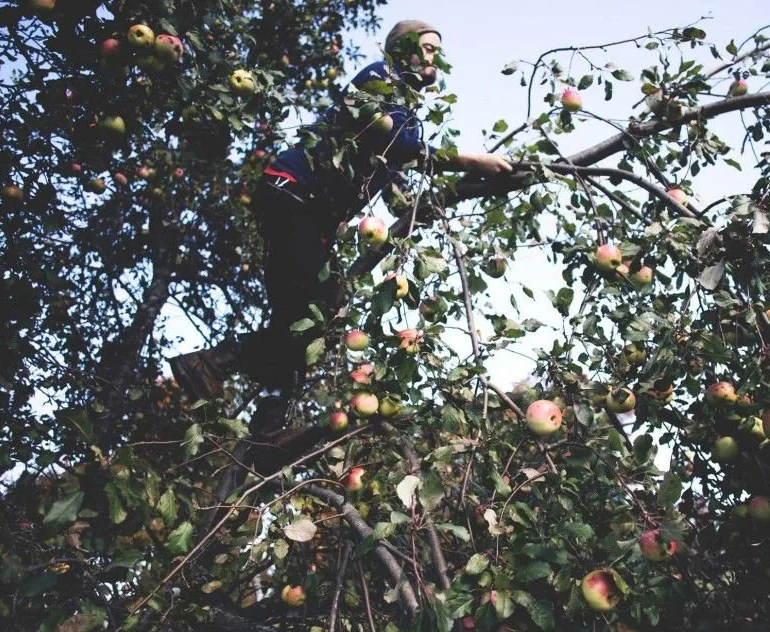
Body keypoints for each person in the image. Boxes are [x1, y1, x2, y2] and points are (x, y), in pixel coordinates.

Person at [168, 20, 512, 435]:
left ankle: (267, 426)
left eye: (437, 50)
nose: (433, 57)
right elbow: (397, 147)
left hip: (306, 212)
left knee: (302, 320)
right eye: (426, 47)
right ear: (401, 50)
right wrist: (471, 161)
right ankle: (214, 362)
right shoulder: (378, 80)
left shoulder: (403, 108)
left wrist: (455, 193)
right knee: (321, 309)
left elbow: (392, 178)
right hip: (295, 195)